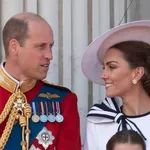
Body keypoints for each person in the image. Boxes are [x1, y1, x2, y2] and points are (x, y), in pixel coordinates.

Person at [0, 12, 81, 150]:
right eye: (41, 47)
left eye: (51, 46)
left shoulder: (63, 101)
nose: (50, 55)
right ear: (14, 47)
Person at [81, 20, 150, 150]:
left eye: (112, 67)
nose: (103, 75)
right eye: (104, 68)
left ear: (137, 73)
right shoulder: (98, 121)